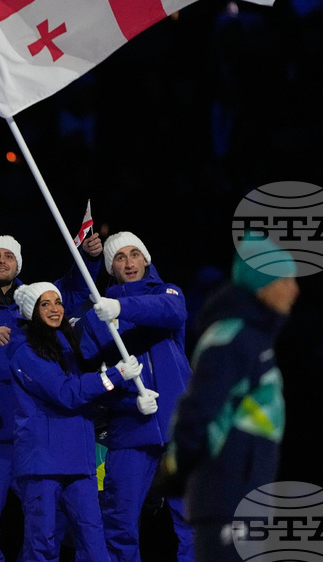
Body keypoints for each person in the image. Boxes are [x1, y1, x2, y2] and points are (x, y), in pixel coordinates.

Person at [0, 234, 104, 560]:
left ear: (18, 264)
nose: (2, 261)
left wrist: (89, 258)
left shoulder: (32, 301)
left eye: (9, 257)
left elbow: (71, 290)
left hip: (40, 438)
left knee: (48, 523)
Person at [163, 239, 299, 562]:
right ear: (262, 286)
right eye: (286, 280)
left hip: (245, 492)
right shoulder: (232, 335)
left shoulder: (253, 338)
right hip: (225, 495)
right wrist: (176, 469)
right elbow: (197, 409)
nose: (294, 290)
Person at [8, 282, 145, 562]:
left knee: (94, 541)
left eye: (57, 301)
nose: (54, 308)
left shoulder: (69, 348)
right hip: (42, 464)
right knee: (42, 542)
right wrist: (116, 375)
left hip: (79, 462)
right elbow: (67, 393)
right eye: (44, 304)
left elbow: (89, 389)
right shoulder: (25, 352)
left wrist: (129, 395)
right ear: (31, 312)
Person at [84, 231, 194, 561]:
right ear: (110, 268)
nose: (129, 262)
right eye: (119, 257)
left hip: (176, 426)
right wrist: (129, 403)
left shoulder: (169, 293)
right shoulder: (95, 314)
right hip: (130, 429)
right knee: (119, 522)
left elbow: (170, 313)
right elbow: (93, 375)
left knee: (191, 518)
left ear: (146, 259)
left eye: (135, 254)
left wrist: (120, 307)